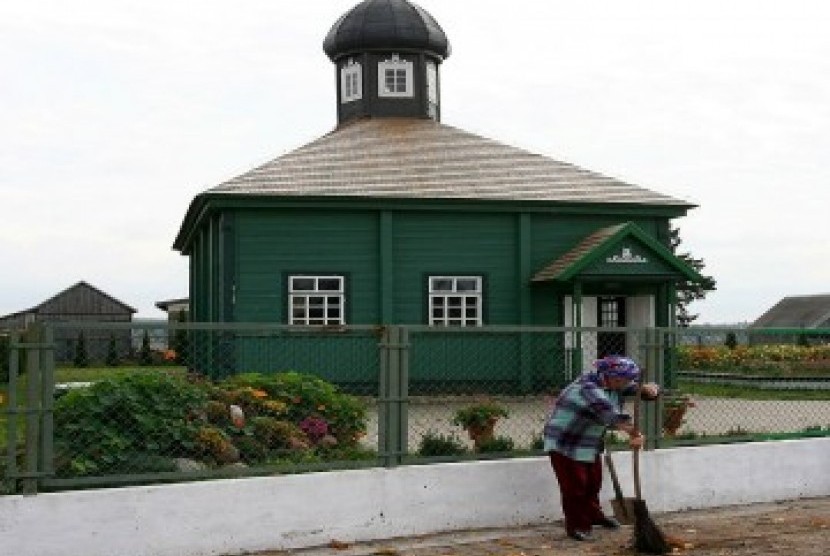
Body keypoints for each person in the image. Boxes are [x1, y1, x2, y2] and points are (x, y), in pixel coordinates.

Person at [543, 355, 661, 541]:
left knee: (592, 483)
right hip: (566, 443)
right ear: (612, 377)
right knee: (575, 487)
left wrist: (649, 390)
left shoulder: (614, 384)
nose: (629, 382)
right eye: (626, 379)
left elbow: (638, 391)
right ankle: (577, 526)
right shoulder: (587, 388)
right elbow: (610, 415)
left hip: (589, 442)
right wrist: (634, 433)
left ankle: (594, 516)